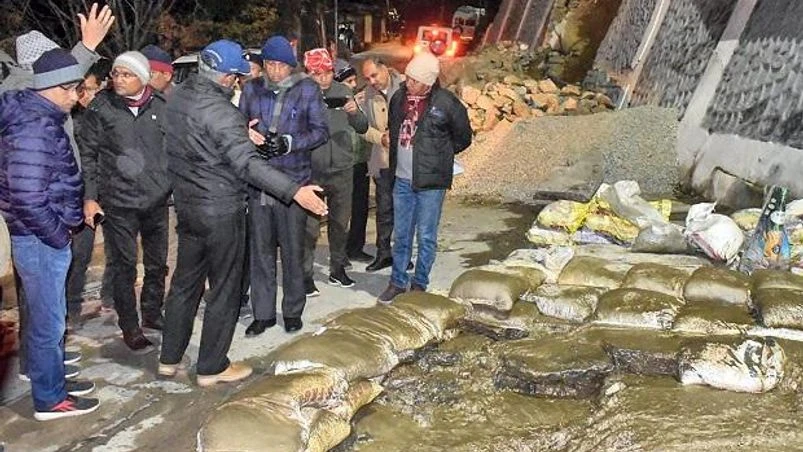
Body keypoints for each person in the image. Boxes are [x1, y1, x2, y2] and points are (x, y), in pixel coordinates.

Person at [159, 40, 327, 386]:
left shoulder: (179, 99)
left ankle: (169, 358)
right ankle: (211, 367)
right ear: (224, 78)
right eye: (235, 77)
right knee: (225, 287)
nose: (237, 83)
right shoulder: (220, 111)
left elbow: (199, 143)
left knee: (184, 284)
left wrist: (239, 134)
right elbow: (247, 165)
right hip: (220, 210)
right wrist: (295, 192)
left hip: (189, 207)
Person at [0, 3, 114, 383]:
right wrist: (57, 233)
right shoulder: (24, 101)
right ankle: (41, 372)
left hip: (49, 210)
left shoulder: (37, 99)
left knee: (46, 301)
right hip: (37, 222)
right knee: (39, 302)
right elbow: (29, 191)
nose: (73, 88)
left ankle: (43, 361)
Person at [78, 51, 170, 352]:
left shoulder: (161, 105)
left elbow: (175, 148)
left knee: (157, 264)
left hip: (156, 200)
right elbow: (88, 157)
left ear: (142, 78)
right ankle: (130, 327)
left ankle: (153, 313)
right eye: (116, 73)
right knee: (124, 267)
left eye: (126, 74)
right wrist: (90, 197)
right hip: (119, 202)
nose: (118, 79)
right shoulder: (100, 108)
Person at [239, 36, 328, 336]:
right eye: (269, 65)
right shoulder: (251, 89)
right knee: (260, 253)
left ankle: (292, 310)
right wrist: (248, 136)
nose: (275, 71)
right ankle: (262, 313)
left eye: (280, 65)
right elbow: (237, 127)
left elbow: (320, 132)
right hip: (259, 182)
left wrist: (288, 143)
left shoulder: (307, 89)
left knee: (292, 251)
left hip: (295, 182)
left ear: (291, 66)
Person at [377, 52, 472, 304]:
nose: (409, 84)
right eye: (408, 78)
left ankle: (419, 283)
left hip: (431, 183)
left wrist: (440, 157)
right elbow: (394, 128)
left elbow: (463, 137)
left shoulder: (446, 103)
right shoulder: (399, 99)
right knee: (402, 233)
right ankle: (397, 281)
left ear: (428, 83)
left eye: (415, 81)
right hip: (402, 180)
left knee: (426, 235)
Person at [301, 48, 368, 295]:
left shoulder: (343, 91)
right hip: (312, 170)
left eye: (328, 72)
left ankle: (337, 268)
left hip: (342, 167)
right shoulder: (300, 95)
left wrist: (353, 112)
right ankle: (305, 275)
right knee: (309, 228)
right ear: (309, 73)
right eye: (318, 74)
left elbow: (362, 126)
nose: (324, 78)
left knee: (340, 223)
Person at [66, 59, 113, 329]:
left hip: (109, 191)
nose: (88, 96)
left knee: (118, 249)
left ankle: (111, 296)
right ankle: (71, 308)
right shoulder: (69, 120)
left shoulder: (105, 114)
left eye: (93, 89)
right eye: (83, 90)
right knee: (79, 255)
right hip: (81, 195)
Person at [357, 57, 405, 271]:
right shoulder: (367, 95)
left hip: (406, 159)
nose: (372, 81)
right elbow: (362, 128)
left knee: (405, 209)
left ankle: (402, 253)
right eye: (367, 78)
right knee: (384, 209)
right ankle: (384, 253)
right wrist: (380, 138)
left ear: (385, 69)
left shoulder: (406, 86)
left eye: (374, 75)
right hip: (383, 159)